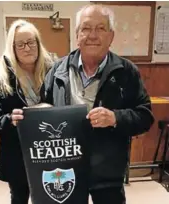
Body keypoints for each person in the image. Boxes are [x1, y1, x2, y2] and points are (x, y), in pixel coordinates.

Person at [40, 4, 154, 204]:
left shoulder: (127, 72)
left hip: (108, 173)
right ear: (77, 35)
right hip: (65, 170)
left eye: (100, 28)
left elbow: (145, 116)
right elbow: (43, 108)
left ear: (111, 36)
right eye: (85, 28)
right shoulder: (57, 70)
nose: (92, 35)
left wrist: (115, 118)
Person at [0, 19, 54, 204]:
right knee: (19, 198)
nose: (27, 48)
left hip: (50, 151)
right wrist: (10, 119)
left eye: (31, 42)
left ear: (38, 44)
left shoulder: (53, 71)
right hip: (17, 153)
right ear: (12, 47)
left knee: (52, 196)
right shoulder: (0, 77)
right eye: (20, 44)